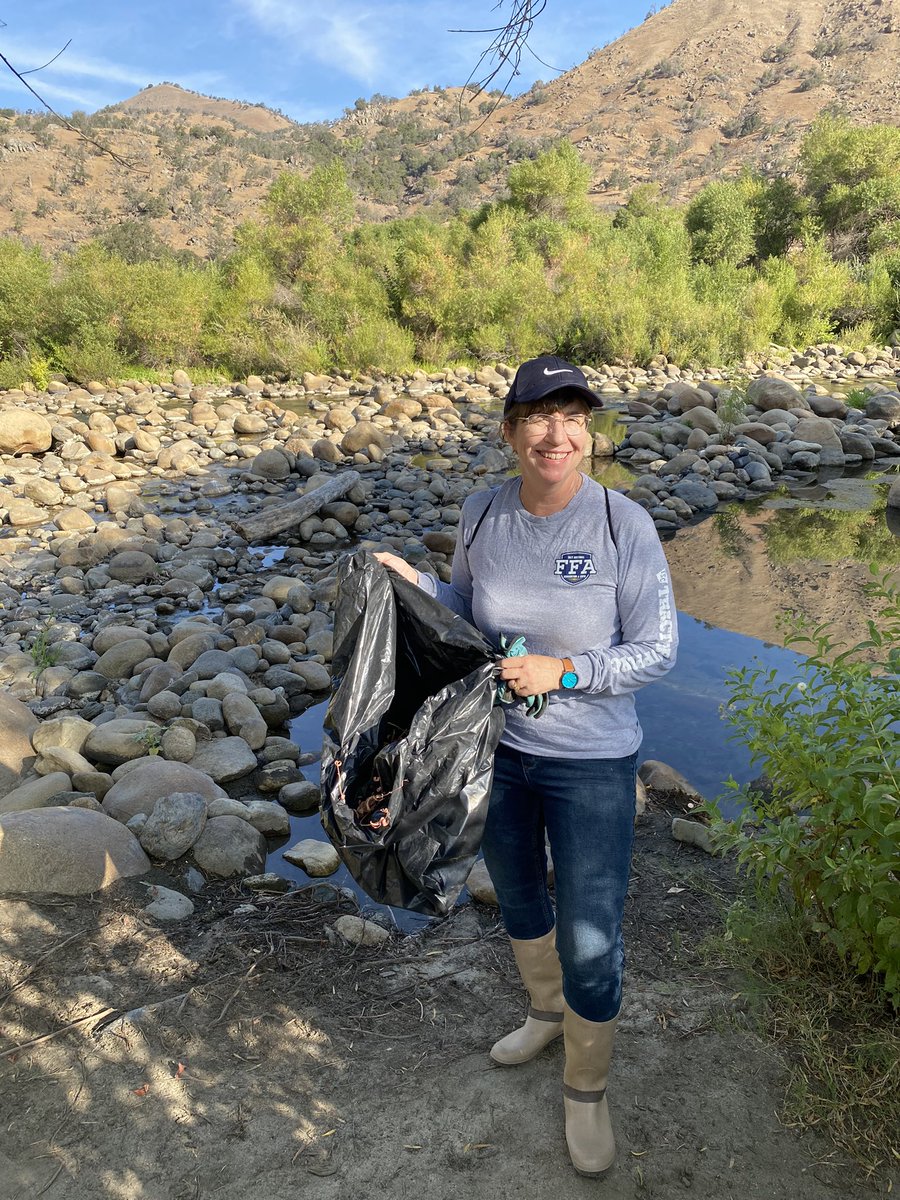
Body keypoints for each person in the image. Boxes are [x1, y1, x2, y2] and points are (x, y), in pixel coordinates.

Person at [375, 354, 678, 1177]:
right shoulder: (482, 513)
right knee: (516, 896)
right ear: (510, 431)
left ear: (589, 433)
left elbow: (657, 651)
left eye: (573, 415)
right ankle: (546, 1014)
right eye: (539, 416)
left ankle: (587, 1088)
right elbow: (470, 617)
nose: (557, 432)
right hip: (497, 755)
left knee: (591, 931)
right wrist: (420, 584)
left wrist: (566, 672)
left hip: (592, 765)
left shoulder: (624, 526)